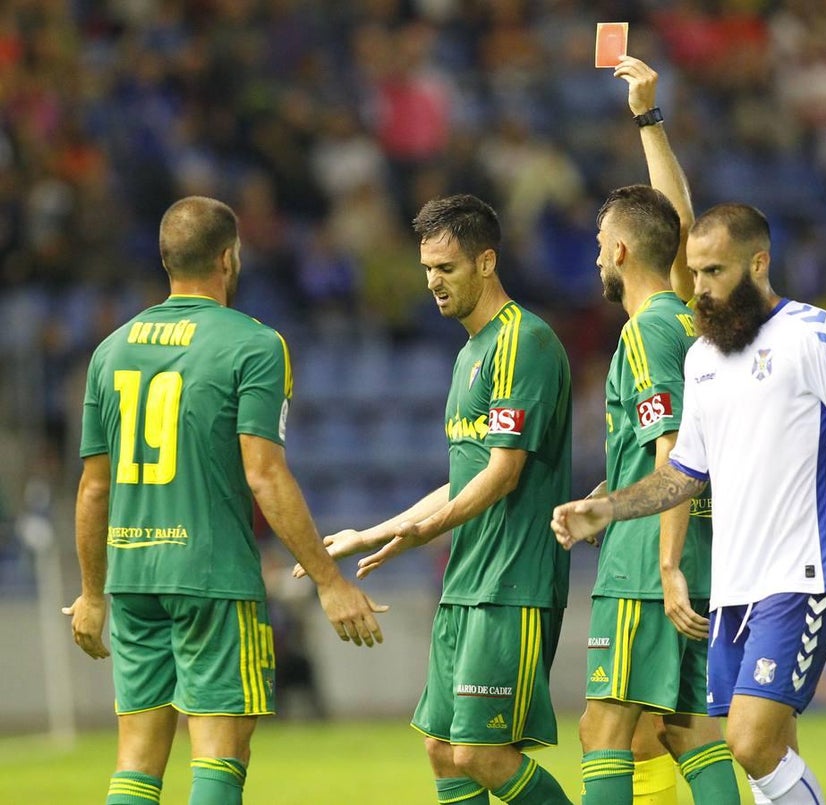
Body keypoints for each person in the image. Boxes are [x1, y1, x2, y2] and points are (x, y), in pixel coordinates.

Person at [553, 202, 826, 805]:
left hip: (801, 573)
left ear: (758, 263)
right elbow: (681, 475)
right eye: (696, 272)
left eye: (715, 272)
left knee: (748, 740)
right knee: (761, 751)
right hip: (734, 589)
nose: (702, 289)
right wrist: (607, 510)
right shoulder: (703, 359)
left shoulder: (816, 334)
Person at [63, 195, 386, 805]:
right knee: (220, 754)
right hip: (211, 574)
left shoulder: (110, 350)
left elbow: (94, 486)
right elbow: (264, 475)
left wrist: (89, 592)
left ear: (165, 260)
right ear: (229, 258)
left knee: (135, 761)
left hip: (132, 578)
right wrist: (328, 580)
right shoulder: (253, 345)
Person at [300, 194, 574, 805]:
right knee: (442, 750)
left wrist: (430, 532)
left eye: (445, 269)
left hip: (512, 584)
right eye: (427, 269)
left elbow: (504, 473)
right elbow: (463, 477)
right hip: (467, 583)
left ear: (485, 262)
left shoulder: (523, 341)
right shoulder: (468, 355)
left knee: (480, 753)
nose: (432, 283)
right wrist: (373, 534)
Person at [570, 57, 740, 805]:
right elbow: (676, 224)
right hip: (703, 545)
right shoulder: (688, 317)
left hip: (649, 564)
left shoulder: (647, 332)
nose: (595, 253)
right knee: (685, 727)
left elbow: (674, 453)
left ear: (617, 251)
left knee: (605, 730)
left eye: (600, 241)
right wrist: (647, 119)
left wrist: (663, 562)